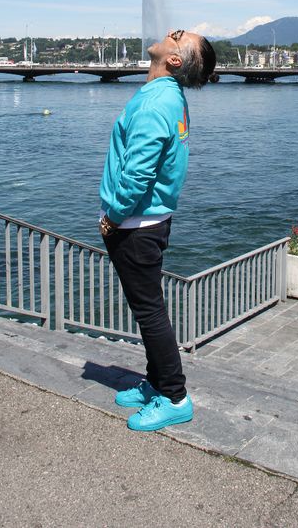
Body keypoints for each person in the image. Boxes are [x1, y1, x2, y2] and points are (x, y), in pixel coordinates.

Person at [99, 29, 216, 432]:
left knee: (150, 313)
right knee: (149, 308)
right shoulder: (169, 97)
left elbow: (137, 174)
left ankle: (174, 397)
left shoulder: (155, 102)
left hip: (136, 224)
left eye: (178, 35)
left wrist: (113, 216)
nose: (169, 31)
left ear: (176, 60)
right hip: (153, 218)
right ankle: (155, 383)